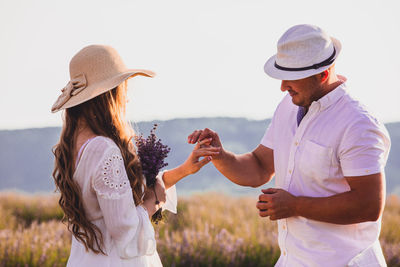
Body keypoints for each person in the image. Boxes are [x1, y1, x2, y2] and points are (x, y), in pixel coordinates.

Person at [188, 24, 391, 266]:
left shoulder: (358, 123)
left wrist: (294, 205)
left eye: (291, 78)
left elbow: (368, 205)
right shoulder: (288, 106)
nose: (283, 86)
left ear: (322, 75)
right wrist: (219, 155)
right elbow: (260, 167)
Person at [51, 45, 219, 267]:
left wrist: (184, 170)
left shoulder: (72, 145)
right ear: (109, 95)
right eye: (123, 89)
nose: (127, 99)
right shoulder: (104, 149)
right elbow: (125, 228)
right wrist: (154, 201)